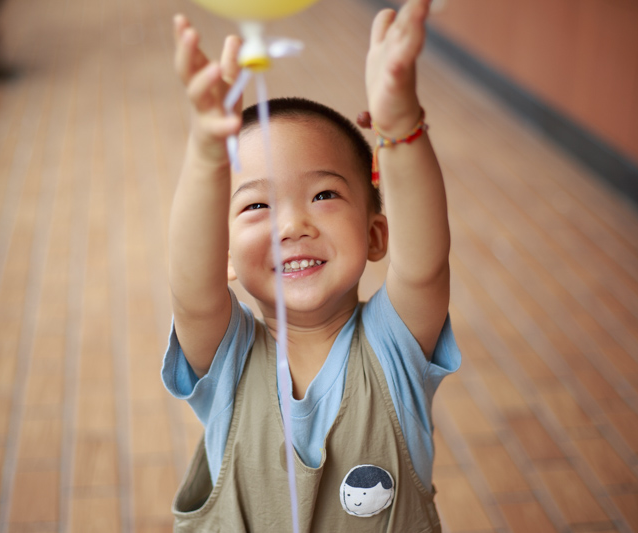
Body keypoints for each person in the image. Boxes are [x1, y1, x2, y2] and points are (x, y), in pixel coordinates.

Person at [163, 0, 461, 530]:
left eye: (324, 194)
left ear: (375, 234)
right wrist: (207, 153)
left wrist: (400, 126)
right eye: (257, 205)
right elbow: (192, 290)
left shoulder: (394, 348)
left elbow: (425, 265)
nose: (292, 224)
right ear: (223, 255)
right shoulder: (227, 360)